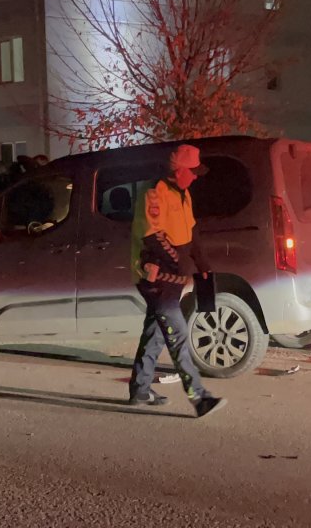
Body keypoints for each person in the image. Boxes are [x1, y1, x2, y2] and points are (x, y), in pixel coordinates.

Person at [127, 144, 226, 418]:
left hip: (172, 278)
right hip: (156, 278)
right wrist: (179, 262)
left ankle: (140, 390)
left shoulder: (183, 194)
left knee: (156, 334)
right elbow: (152, 237)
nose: (195, 177)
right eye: (192, 172)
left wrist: (202, 264)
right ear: (178, 170)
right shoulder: (154, 192)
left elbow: (191, 232)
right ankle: (199, 397)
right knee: (178, 336)